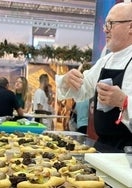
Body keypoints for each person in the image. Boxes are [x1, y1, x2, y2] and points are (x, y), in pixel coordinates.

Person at [56, 2, 132, 152]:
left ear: (130, 27)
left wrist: (124, 102)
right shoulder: (106, 60)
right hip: (102, 146)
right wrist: (67, 80)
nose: (105, 30)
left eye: (110, 24)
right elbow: (83, 88)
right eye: (105, 24)